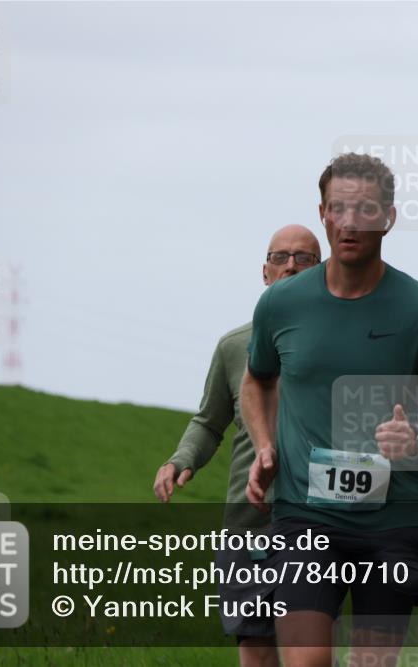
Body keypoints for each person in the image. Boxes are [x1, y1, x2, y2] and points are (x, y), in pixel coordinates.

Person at [241, 153, 418, 667]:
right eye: (338, 209)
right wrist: (264, 445)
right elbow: (256, 380)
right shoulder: (281, 304)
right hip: (305, 511)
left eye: (364, 209)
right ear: (322, 213)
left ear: (389, 217)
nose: (349, 222)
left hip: (393, 516)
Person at [152, 224, 321, 667]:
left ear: (322, 271)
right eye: (279, 257)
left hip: (320, 523)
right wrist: (181, 459)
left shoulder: (340, 346)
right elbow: (209, 422)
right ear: (264, 272)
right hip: (249, 525)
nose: (290, 267)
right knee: (256, 651)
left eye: (303, 259)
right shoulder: (234, 347)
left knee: (308, 652)